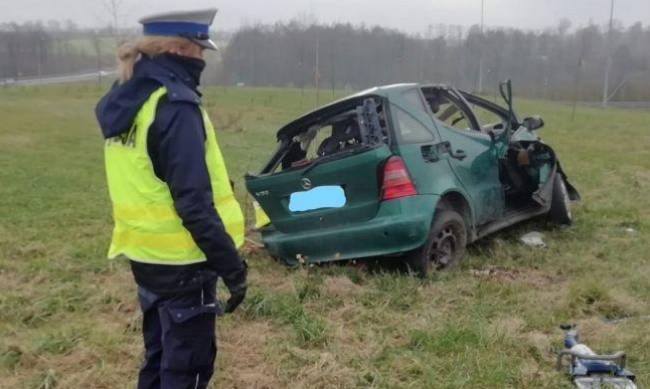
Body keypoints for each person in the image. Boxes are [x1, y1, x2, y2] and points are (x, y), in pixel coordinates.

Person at [95, 8, 247, 389]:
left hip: (145, 257)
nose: (202, 60)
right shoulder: (175, 105)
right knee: (187, 370)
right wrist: (233, 268)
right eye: (200, 50)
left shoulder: (128, 98)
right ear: (181, 48)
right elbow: (193, 204)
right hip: (185, 262)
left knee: (160, 358)